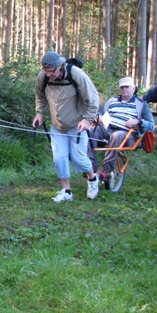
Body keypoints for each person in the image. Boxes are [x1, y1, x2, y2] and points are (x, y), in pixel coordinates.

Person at [33, 51, 100, 201]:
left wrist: (87, 120)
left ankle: (92, 179)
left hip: (77, 125)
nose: (48, 75)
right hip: (57, 126)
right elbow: (40, 96)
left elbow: (93, 99)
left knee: (79, 159)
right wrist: (39, 114)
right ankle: (66, 191)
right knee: (59, 158)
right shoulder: (43, 77)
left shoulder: (76, 74)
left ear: (60, 66)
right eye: (45, 71)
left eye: (51, 72)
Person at [88, 76, 154, 182]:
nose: (124, 89)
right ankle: (90, 166)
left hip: (127, 133)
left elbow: (151, 125)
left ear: (134, 88)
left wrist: (138, 121)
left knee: (116, 135)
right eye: (122, 87)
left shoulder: (141, 104)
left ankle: (105, 170)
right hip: (107, 128)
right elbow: (99, 112)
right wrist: (98, 117)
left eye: (127, 87)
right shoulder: (111, 101)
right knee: (89, 131)